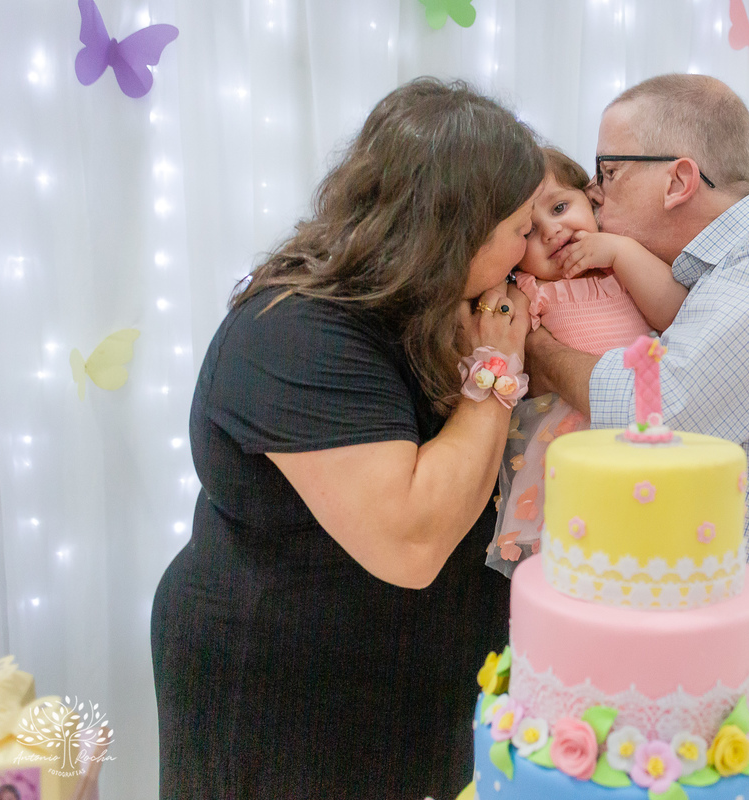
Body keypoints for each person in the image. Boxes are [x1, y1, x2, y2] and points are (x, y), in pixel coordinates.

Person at [151, 78, 544, 799]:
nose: (533, 245)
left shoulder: (432, 303)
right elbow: (410, 540)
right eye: (521, 226)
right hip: (288, 691)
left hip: (407, 681)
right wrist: (495, 373)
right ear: (458, 228)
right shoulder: (294, 333)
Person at [524, 73, 749, 779]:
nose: (593, 195)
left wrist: (531, 349)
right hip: (664, 693)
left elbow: (658, 408)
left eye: (607, 173)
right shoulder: (697, 281)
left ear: (679, 179)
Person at [486, 147, 685, 572]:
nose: (552, 231)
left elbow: (675, 312)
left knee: (650, 545)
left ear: (592, 200)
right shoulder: (530, 291)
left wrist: (618, 252)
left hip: (642, 427)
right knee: (583, 559)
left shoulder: (624, 266)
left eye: (561, 207)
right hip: (568, 445)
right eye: (529, 230)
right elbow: (513, 361)